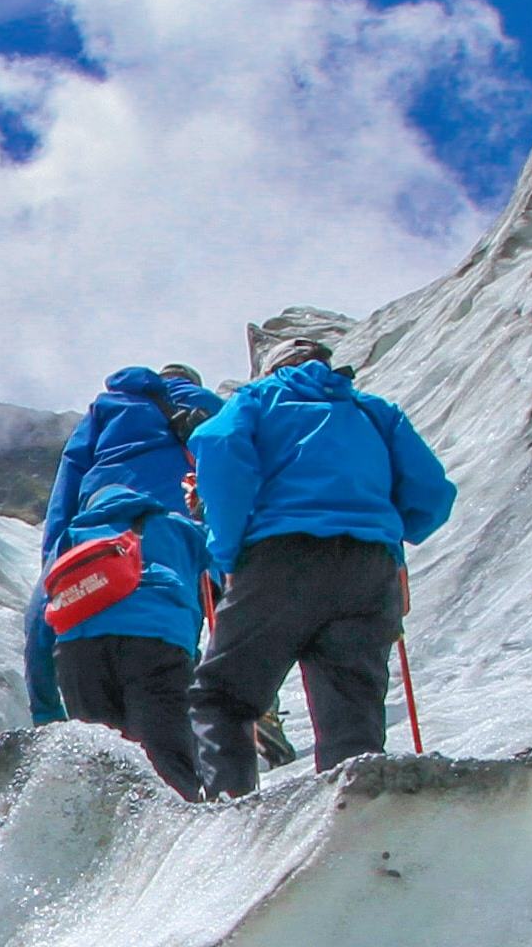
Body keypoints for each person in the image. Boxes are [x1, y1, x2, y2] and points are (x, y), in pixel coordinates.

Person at [185, 325, 455, 795]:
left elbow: (218, 446)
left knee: (222, 699)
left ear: (273, 370)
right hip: (370, 569)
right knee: (352, 721)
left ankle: (229, 822)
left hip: (279, 558)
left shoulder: (257, 400)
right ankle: (353, 832)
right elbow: (433, 492)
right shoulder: (374, 412)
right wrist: (395, 529)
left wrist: (227, 549)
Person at [36, 364, 220, 792]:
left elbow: (68, 480)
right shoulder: (208, 407)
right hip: (170, 585)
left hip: (88, 584)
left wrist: (44, 707)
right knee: (167, 762)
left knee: (101, 775)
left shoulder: (107, 407)